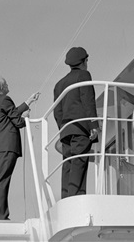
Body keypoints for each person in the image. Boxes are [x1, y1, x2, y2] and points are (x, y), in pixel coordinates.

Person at [0, 77, 39, 220]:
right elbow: (17, 121)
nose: (8, 85)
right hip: (7, 147)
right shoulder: (5, 99)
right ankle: (2, 217)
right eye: (6, 84)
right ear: (1, 88)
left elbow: (9, 114)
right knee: (2, 182)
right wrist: (26, 117)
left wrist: (28, 102)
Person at [53, 47, 100, 198]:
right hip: (81, 128)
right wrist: (93, 126)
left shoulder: (59, 84)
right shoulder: (84, 75)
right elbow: (88, 101)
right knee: (79, 163)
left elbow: (57, 111)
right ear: (83, 61)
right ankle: (76, 198)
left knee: (68, 164)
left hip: (66, 130)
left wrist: (63, 127)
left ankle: (66, 198)